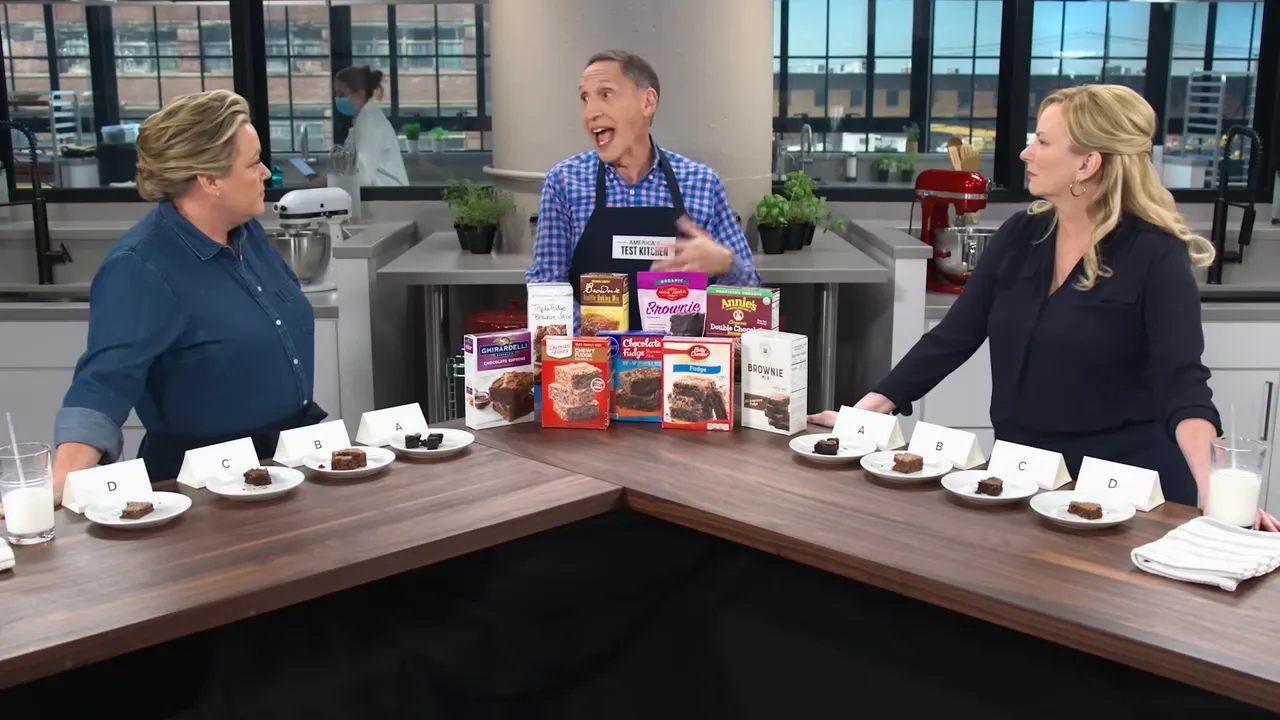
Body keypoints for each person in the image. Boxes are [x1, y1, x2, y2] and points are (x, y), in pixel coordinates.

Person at [811, 84, 1276, 532]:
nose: (1025, 153)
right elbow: (952, 339)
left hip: (1125, 494)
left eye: (1043, 141)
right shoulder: (1020, 235)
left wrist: (1213, 487)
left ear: (1088, 163)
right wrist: (865, 414)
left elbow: (1184, 385)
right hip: (1022, 476)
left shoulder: (1155, 254)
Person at [50, 89, 328, 493]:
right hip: (203, 487)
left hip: (283, 462)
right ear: (209, 179)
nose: (266, 172)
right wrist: (63, 479)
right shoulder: (140, 267)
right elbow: (103, 382)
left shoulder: (248, 234)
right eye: (253, 163)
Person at [527, 49, 760, 329]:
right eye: (584, 98)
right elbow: (545, 290)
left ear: (647, 102)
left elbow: (751, 295)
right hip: (592, 362)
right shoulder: (564, 182)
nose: (591, 112)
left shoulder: (701, 182)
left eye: (606, 94)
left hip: (683, 365)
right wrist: (603, 340)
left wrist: (726, 263)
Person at [330, 65, 409, 187]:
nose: (338, 99)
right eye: (336, 94)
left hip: (388, 196)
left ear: (360, 93)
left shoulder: (370, 124)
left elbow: (363, 177)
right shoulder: (364, 119)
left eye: (342, 94)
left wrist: (329, 180)